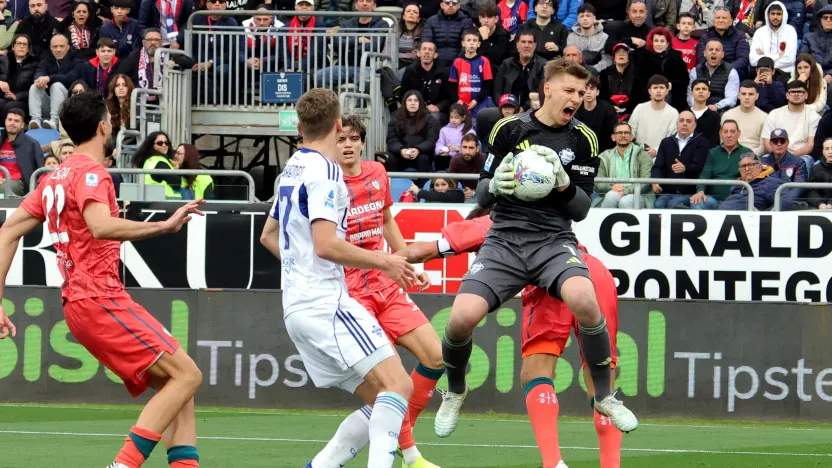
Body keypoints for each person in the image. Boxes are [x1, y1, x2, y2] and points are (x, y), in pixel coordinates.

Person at [433, 59, 638, 445]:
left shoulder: (585, 139)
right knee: (460, 319)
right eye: (569, 91)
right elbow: (480, 193)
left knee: (586, 301)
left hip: (553, 240)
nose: (576, 99)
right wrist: (498, 185)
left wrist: (562, 186)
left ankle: (605, 397)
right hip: (505, 239)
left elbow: (580, 209)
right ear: (547, 88)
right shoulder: (509, 129)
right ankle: (456, 389)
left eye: (582, 93)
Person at [0, 91, 205, 468]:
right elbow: (100, 225)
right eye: (109, 119)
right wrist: (164, 225)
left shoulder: (53, 178)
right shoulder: (93, 173)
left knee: (178, 389)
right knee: (188, 375)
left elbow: (6, 232)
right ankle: (123, 464)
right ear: (102, 127)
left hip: (79, 306)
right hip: (100, 298)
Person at [260, 88, 418, 468]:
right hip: (325, 303)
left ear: (300, 127)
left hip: (296, 306)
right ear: (336, 125)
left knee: (381, 396)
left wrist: (300, 273)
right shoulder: (327, 173)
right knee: (400, 385)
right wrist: (385, 261)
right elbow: (326, 245)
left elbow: (267, 235)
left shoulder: (292, 167)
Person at [394, 211, 625, 468]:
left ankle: (552, 462)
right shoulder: (550, 217)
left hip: (551, 283)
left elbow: (423, 251)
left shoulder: (494, 221)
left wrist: (373, 261)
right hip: (590, 271)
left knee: (536, 372)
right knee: (602, 379)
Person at [303, 115, 442, 468]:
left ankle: (391, 436)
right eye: (342, 139)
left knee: (436, 356)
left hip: (386, 285)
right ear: (333, 143)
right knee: (389, 386)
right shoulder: (325, 183)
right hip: (350, 293)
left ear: (363, 143)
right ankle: (411, 455)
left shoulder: (378, 174)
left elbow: (386, 221)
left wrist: (407, 261)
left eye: (354, 139)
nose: (347, 145)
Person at [651, 110, 709, 208]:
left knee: (672, 205)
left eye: (688, 121)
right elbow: (658, 166)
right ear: (677, 124)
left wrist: (685, 168)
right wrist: (655, 181)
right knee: (658, 204)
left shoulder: (701, 142)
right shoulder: (666, 142)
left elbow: (699, 166)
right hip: (668, 191)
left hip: (689, 192)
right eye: (681, 120)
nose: (685, 124)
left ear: (694, 125)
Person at [690, 120, 750, 209]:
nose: (729, 135)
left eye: (732, 132)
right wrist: (700, 191)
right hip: (713, 199)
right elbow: (705, 174)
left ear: (739, 133)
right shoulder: (712, 152)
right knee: (697, 202)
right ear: (720, 133)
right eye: (725, 132)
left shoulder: (747, 153)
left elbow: (751, 177)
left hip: (736, 199)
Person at [594, 121, 655, 208]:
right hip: (613, 191)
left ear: (631, 137)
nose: (623, 135)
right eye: (619, 133)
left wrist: (625, 190)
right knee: (611, 196)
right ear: (613, 137)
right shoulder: (605, 157)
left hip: (639, 195)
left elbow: (645, 183)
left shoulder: (643, 155)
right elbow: (599, 184)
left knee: (625, 201)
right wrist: (612, 187)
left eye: (626, 132)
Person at [632, 26, 689, 111]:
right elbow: (639, 82)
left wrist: (672, 84)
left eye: (662, 41)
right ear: (652, 42)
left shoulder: (676, 57)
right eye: (656, 41)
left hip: (672, 98)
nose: (659, 44)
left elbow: (684, 80)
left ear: (667, 43)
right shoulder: (644, 57)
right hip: (649, 97)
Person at [29, 33, 77, 130]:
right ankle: (35, 120)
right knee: (35, 86)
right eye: (55, 46)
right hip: (48, 104)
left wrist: (49, 78)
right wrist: (39, 80)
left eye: (61, 46)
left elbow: (71, 77)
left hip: (67, 105)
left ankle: (54, 121)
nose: (58, 49)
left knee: (56, 85)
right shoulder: (45, 61)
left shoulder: (76, 61)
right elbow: (39, 72)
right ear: (51, 48)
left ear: (68, 47)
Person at [762, 80, 820, 156]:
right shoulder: (774, 114)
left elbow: (810, 145)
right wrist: (781, 156)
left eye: (800, 92)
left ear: (806, 95)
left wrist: (790, 158)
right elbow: (767, 142)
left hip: (801, 156)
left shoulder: (814, 116)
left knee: (805, 161)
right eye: (792, 92)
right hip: (775, 155)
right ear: (787, 95)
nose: (796, 94)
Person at [401, 41, 454, 124]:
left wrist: (438, 107)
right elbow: (404, 95)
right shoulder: (410, 71)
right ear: (418, 53)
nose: (427, 52)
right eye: (424, 49)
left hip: (438, 113)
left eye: (430, 50)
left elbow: (451, 97)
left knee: (433, 118)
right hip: (416, 110)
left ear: (435, 55)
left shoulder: (444, 72)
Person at [492, 31, 546, 111]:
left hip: (532, 109)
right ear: (517, 45)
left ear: (535, 46)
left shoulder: (543, 65)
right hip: (507, 109)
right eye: (523, 42)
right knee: (485, 114)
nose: (526, 45)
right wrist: (505, 107)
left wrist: (524, 108)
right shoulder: (506, 64)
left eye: (530, 42)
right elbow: (497, 91)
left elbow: (542, 93)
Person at [629, 75, 680, 159]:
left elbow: (672, 139)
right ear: (649, 91)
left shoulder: (673, 113)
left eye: (662, 87)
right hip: (638, 155)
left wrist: (656, 151)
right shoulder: (640, 108)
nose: (658, 91)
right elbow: (631, 132)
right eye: (655, 88)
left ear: (667, 91)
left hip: (662, 157)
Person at [449, 29, 494, 121]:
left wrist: (477, 100)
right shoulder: (457, 62)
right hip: (461, 103)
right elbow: (452, 85)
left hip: (479, 102)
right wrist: (458, 100)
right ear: (463, 43)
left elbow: (488, 85)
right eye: (468, 40)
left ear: (479, 44)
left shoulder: (484, 61)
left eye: (474, 41)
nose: (472, 43)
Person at [695, 8, 750, 79]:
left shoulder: (740, 36)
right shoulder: (705, 37)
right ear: (713, 21)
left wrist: (726, 69)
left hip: (732, 73)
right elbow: (702, 59)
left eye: (724, 18)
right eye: (718, 18)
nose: (721, 20)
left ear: (730, 22)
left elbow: (743, 59)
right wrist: (715, 70)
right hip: (710, 72)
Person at [719, 152, 786, 210]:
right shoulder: (737, 185)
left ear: (759, 167)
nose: (747, 168)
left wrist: (764, 216)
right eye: (743, 166)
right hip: (723, 218)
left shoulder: (770, 183)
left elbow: (785, 202)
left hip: (747, 221)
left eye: (750, 165)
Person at [761, 128, 808, 209]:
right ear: (770, 144)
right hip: (766, 202)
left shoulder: (798, 162)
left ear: (787, 143)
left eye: (782, 141)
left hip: (789, 203)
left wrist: (782, 201)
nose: (779, 144)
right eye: (775, 142)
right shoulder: (762, 162)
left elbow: (799, 187)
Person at [688, 38, 740, 111]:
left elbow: (731, 99)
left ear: (722, 54)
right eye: (711, 49)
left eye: (717, 50)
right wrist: (701, 108)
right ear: (704, 53)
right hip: (698, 110)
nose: (714, 52)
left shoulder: (731, 71)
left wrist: (717, 106)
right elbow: (690, 96)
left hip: (722, 111)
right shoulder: (695, 71)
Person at [0, 108, 43, 195]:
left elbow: (39, 170)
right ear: (5, 121)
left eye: (16, 121)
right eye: (10, 119)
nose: (12, 123)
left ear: (22, 125)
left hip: (18, 182)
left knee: (3, 189)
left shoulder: (32, 144)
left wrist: (7, 180)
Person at [749, 1, 798, 76]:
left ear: (783, 15)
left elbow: (789, 60)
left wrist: (764, 56)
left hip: (784, 73)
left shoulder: (790, 31)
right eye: (773, 14)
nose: (775, 17)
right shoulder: (759, 32)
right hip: (761, 72)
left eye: (778, 14)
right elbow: (753, 60)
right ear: (768, 15)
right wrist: (779, 56)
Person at [722, 79, 768, 156]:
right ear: (739, 96)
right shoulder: (727, 116)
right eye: (744, 94)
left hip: (754, 157)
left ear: (757, 96)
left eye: (750, 94)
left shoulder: (765, 117)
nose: (747, 97)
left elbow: (763, 146)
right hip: (730, 155)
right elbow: (723, 141)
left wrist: (748, 156)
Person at [422, 0, 474, 66]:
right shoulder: (431, 21)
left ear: (458, 6)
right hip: (435, 61)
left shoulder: (466, 21)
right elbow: (426, 42)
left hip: (459, 62)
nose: (451, 5)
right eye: (447, 2)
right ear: (441, 5)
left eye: (454, 3)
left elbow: (466, 46)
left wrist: (457, 62)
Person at [0, 34, 38, 122]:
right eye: (19, 43)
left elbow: (35, 90)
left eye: (25, 44)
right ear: (13, 47)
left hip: (22, 101)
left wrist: (17, 96)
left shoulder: (34, 65)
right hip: (3, 97)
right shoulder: (3, 61)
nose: (21, 46)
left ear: (28, 49)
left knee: (9, 107)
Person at [575, 75, 617, 152]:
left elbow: (611, 136)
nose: (588, 92)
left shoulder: (608, 109)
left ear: (597, 92)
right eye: (585, 89)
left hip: (603, 151)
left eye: (592, 89)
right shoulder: (575, 108)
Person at [567, 4, 611, 72]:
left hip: (598, 73)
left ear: (594, 18)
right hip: (576, 72)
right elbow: (569, 59)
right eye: (582, 16)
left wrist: (591, 70)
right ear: (578, 19)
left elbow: (607, 60)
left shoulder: (604, 37)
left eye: (588, 16)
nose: (585, 18)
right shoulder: (571, 37)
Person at [436, 103, 475, 170]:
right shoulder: (444, 130)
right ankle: (440, 178)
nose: (453, 120)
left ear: (463, 118)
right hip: (447, 157)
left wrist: (458, 149)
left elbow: (472, 149)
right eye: (451, 117)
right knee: (438, 158)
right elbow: (439, 144)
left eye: (456, 117)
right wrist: (442, 150)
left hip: (462, 157)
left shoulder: (469, 131)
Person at [449, 133, 485, 200]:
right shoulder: (455, 161)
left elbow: (489, 186)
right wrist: (461, 193)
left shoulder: (485, 160)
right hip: (463, 195)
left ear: (477, 149)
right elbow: (453, 186)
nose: (467, 151)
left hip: (482, 196)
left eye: (471, 148)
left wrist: (474, 192)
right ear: (460, 148)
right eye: (464, 147)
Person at [688, 79, 721, 148]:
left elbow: (714, 141)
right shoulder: (685, 114)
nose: (700, 91)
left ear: (709, 94)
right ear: (692, 93)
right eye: (697, 89)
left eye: (704, 89)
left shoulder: (715, 116)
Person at [807, 137, 832, 209]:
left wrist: (831, 203)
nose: (830, 152)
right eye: (827, 149)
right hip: (821, 206)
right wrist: (820, 204)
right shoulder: (816, 169)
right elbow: (811, 192)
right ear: (823, 151)